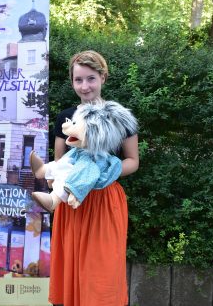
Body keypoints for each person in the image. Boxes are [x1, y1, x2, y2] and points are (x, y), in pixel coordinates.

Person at [48, 50, 139, 306]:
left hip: (104, 202)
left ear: (103, 77)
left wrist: (101, 174)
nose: (85, 86)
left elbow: (133, 161)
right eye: (79, 80)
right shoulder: (65, 117)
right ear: (72, 81)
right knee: (71, 267)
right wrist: (55, 182)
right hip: (72, 203)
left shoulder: (120, 117)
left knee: (103, 272)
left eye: (91, 78)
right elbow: (59, 161)